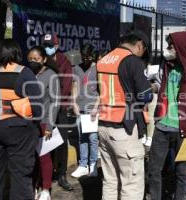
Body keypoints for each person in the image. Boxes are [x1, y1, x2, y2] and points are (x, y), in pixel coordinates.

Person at [0, 39, 42, 200]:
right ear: (16, 53)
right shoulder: (23, 72)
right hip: (18, 131)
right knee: (20, 175)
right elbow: (37, 107)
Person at [148, 32, 186, 200]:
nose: (168, 50)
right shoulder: (166, 65)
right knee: (154, 169)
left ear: (180, 47)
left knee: (182, 172)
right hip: (162, 126)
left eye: (171, 46)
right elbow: (160, 86)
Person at [97, 31, 153, 199]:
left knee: (110, 181)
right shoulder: (133, 61)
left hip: (103, 125)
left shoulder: (104, 59)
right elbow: (145, 96)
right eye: (143, 50)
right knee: (131, 184)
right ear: (139, 45)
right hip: (124, 129)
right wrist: (151, 89)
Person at [27, 46, 61, 200]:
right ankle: (33, 186)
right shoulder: (27, 74)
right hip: (28, 123)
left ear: (44, 59)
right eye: (30, 59)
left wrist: (49, 125)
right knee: (30, 157)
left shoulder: (51, 75)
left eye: (36, 59)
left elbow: (55, 102)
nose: (33, 62)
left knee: (44, 157)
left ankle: (46, 189)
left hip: (43, 123)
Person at [42, 34, 73, 191]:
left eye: (50, 45)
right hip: (44, 109)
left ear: (56, 45)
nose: (47, 47)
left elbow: (66, 87)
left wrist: (55, 102)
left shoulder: (64, 62)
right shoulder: (43, 61)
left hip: (60, 108)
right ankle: (49, 173)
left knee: (61, 142)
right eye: (45, 44)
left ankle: (61, 174)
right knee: (47, 143)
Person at [71, 43, 99, 178]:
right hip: (80, 107)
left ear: (92, 56)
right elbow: (75, 85)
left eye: (87, 57)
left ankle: (93, 164)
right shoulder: (77, 68)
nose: (85, 60)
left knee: (93, 138)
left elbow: (101, 91)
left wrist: (96, 106)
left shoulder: (98, 69)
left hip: (92, 108)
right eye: (83, 57)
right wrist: (74, 103)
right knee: (82, 137)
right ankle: (83, 165)